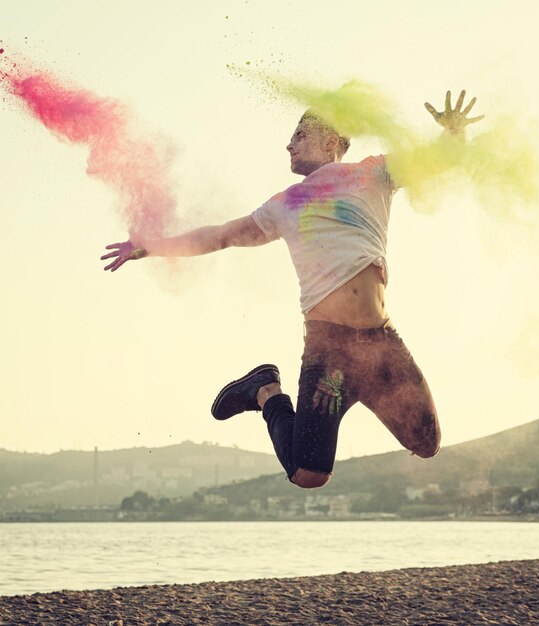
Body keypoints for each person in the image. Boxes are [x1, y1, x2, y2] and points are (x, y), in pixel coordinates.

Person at [102, 90, 484, 489]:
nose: (289, 143)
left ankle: (297, 394)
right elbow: (220, 236)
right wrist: (151, 246)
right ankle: (265, 391)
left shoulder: (373, 173)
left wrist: (453, 135)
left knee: (427, 443)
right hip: (329, 349)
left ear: (330, 142)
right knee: (308, 474)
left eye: (300, 135)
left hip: (379, 343)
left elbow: (435, 162)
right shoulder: (284, 205)